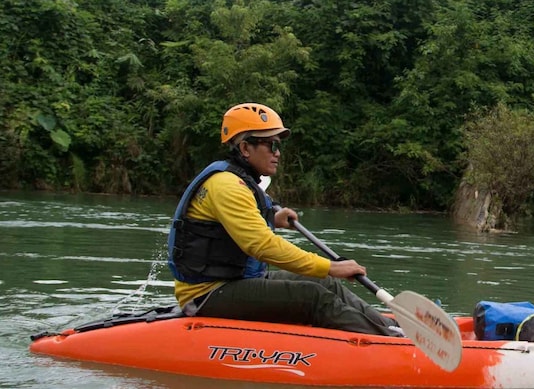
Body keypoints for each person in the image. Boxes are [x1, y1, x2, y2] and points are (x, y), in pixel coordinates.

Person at [166, 102, 402, 337]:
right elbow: (262, 246)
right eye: (271, 144)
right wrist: (330, 266)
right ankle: (392, 344)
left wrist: (272, 218)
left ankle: (393, 330)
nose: (277, 152)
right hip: (208, 293)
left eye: (277, 145)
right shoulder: (228, 186)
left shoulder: (238, 180)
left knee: (326, 284)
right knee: (313, 296)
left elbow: (234, 225)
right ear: (246, 148)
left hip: (236, 280)